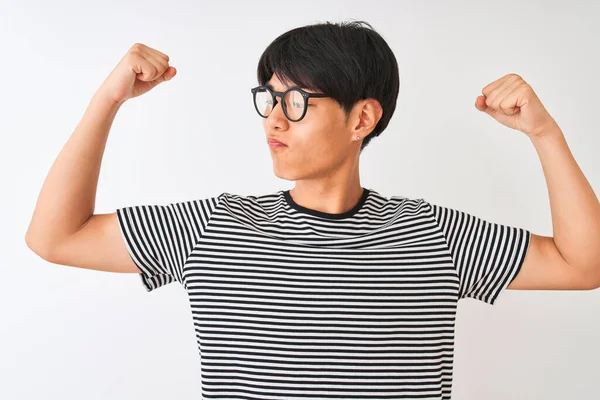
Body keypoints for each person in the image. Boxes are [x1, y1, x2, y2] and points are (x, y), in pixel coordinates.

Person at [25, 20, 600, 400]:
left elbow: (584, 265)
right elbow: (55, 236)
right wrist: (108, 100)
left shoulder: (432, 234)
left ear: (361, 119)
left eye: (296, 101)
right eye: (268, 99)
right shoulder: (213, 227)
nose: (273, 119)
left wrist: (544, 134)